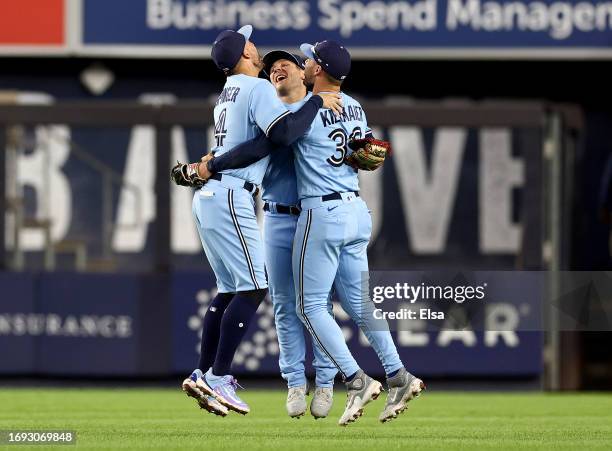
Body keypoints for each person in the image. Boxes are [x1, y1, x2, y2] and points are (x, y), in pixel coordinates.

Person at [199, 40, 424, 426]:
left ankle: (353, 380)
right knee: (357, 304)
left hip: (320, 211)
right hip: (354, 208)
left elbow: (274, 139)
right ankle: (399, 375)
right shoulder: (352, 103)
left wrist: (213, 164)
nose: (299, 65)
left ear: (316, 70)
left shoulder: (304, 112)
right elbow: (366, 150)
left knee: (309, 306)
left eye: (305, 61)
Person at [181, 25, 342, 417]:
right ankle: (218, 377)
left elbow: (261, 140)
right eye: (249, 42)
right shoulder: (255, 88)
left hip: (211, 194)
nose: (255, 45)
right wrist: (318, 101)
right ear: (246, 54)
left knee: (227, 291)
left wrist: (208, 166)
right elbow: (283, 134)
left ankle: (203, 372)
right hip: (232, 193)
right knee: (253, 288)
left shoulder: (227, 94)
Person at [261, 50, 337, 418]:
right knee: (284, 304)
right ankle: (294, 382)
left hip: (314, 214)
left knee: (316, 305)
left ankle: (324, 381)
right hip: (276, 215)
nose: (276, 68)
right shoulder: (265, 110)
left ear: (303, 74)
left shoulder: (323, 105)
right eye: (271, 67)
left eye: (285, 64)